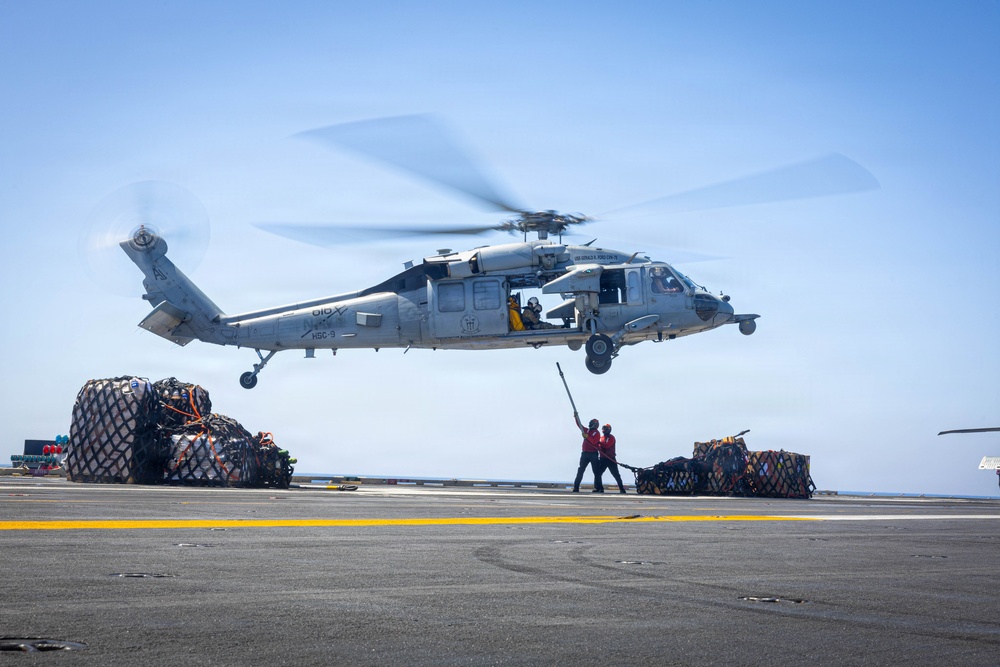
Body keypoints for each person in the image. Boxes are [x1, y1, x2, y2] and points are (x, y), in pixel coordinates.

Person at [572, 413, 604, 493]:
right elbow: (580, 425)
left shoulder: (596, 433)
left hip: (593, 454)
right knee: (580, 470)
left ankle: (599, 488)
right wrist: (576, 417)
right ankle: (576, 487)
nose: (589, 424)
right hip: (585, 453)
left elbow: (593, 441)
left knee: (596, 472)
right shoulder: (587, 430)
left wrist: (587, 437)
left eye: (591, 423)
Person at [597, 423, 627, 494]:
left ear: (609, 430)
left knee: (616, 475)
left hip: (611, 459)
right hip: (602, 459)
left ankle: (622, 489)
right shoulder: (601, 438)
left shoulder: (611, 438)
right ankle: (600, 488)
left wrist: (599, 443)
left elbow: (607, 445)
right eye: (603, 428)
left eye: (605, 428)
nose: (604, 430)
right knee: (598, 474)